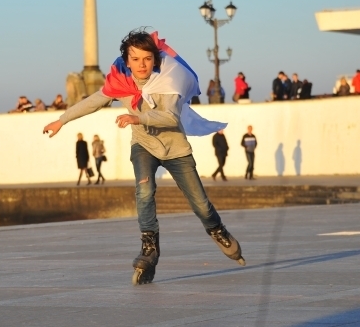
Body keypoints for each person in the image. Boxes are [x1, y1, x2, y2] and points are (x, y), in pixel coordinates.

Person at [43, 29, 245, 285]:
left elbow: (171, 118)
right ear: (127, 61)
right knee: (144, 191)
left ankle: (218, 230)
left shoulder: (168, 81)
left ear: (155, 59)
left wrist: (137, 117)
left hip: (176, 149)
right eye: (135, 59)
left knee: (201, 205)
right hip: (144, 145)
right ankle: (149, 245)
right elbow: (94, 101)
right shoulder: (121, 82)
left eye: (147, 59)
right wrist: (61, 120)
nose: (141, 65)